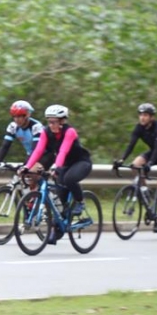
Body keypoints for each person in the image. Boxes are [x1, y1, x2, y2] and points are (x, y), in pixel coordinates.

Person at [18, 104, 93, 244]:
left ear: (62, 121)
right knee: (60, 199)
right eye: (49, 121)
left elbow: (63, 150)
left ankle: (80, 202)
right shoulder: (46, 132)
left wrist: (55, 166)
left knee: (69, 179)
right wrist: (27, 166)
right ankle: (57, 230)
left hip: (81, 162)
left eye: (54, 122)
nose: (51, 125)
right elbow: (38, 151)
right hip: (65, 165)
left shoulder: (69, 132)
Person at [113, 102, 157, 231]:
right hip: (154, 152)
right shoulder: (139, 128)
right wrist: (121, 159)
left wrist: (150, 164)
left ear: (152, 117)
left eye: (146, 115)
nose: (142, 117)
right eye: (141, 115)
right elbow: (131, 145)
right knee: (135, 165)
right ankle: (145, 191)